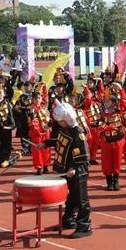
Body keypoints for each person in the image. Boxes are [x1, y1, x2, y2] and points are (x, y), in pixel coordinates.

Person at [40, 101, 92, 238]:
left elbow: (83, 156)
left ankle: (84, 226)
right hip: (67, 170)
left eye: (61, 121)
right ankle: (69, 220)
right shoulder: (66, 129)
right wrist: (46, 143)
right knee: (71, 197)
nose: (59, 124)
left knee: (81, 199)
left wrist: (74, 168)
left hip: (78, 171)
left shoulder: (78, 134)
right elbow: (60, 141)